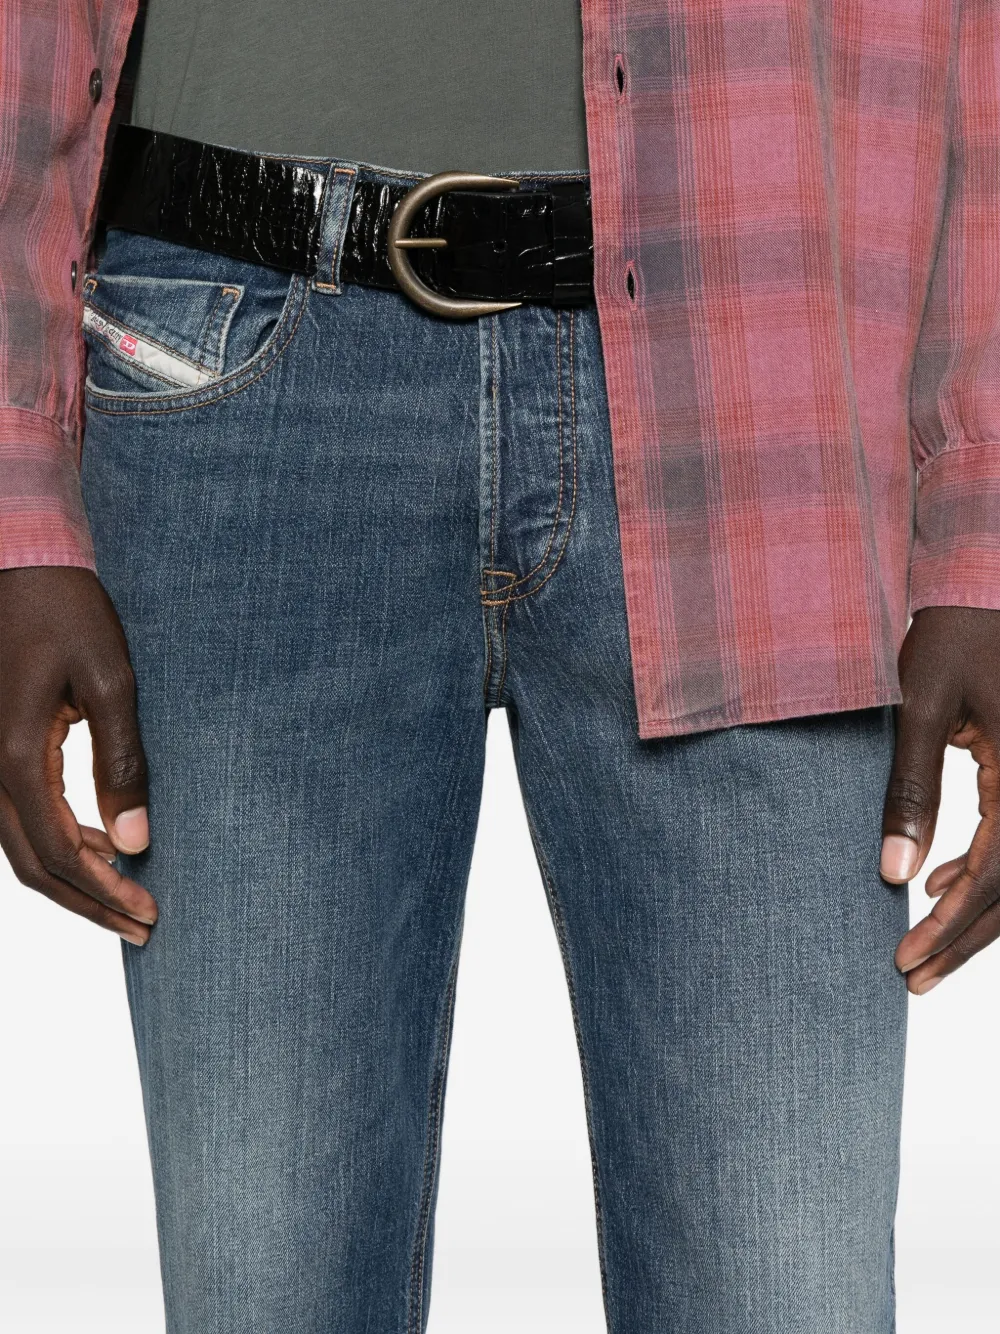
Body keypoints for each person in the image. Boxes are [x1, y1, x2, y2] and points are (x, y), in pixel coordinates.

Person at [1, 0, 998, 1330]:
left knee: (786, 1288)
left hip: (764, 379)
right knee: (263, 1289)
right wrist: (15, 487)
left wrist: (982, 513)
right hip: (234, 355)